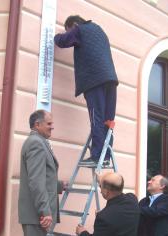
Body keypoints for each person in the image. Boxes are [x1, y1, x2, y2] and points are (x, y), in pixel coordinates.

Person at [54, 15, 118, 166]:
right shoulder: (99, 30)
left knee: (96, 118)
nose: (69, 32)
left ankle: (97, 156)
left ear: (74, 24)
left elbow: (63, 41)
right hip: (110, 79)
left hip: (94, 80)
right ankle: (106, 155)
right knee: (108, 120)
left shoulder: (80, 29)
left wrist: (56, 36)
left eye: (68, 29)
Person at [18, 110, 67, 236]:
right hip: (38, 217)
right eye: (49, 124)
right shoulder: (36, 143)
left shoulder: (39, 141)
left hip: (37, 216)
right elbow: (36, 182)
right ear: (37, 124)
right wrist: (45, 211)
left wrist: (58, 185)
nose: (52, 127)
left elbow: (40, 177)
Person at [75, 172, 140, 236]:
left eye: (101, 187)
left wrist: (82, 233)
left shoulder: (103, 218)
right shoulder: (132, 199)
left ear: (106, 192)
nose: (100, 191)